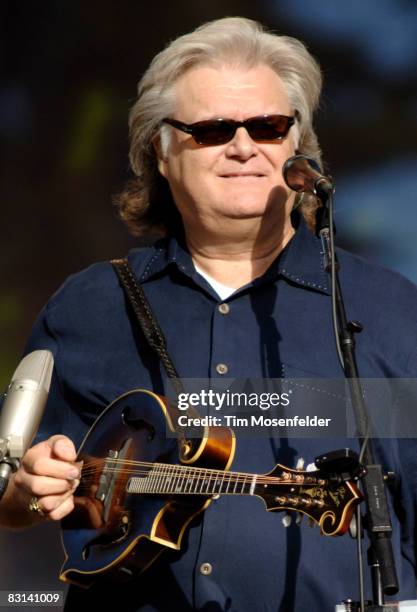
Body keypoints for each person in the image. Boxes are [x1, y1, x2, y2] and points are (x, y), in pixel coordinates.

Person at [1, 16, 417, 612]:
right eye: (213, 129)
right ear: (160, 152)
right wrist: (25, 491)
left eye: (269, 127)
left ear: (298, 148)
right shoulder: (90, 305)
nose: (244, 146)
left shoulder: (392, 311)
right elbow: (12, 492)